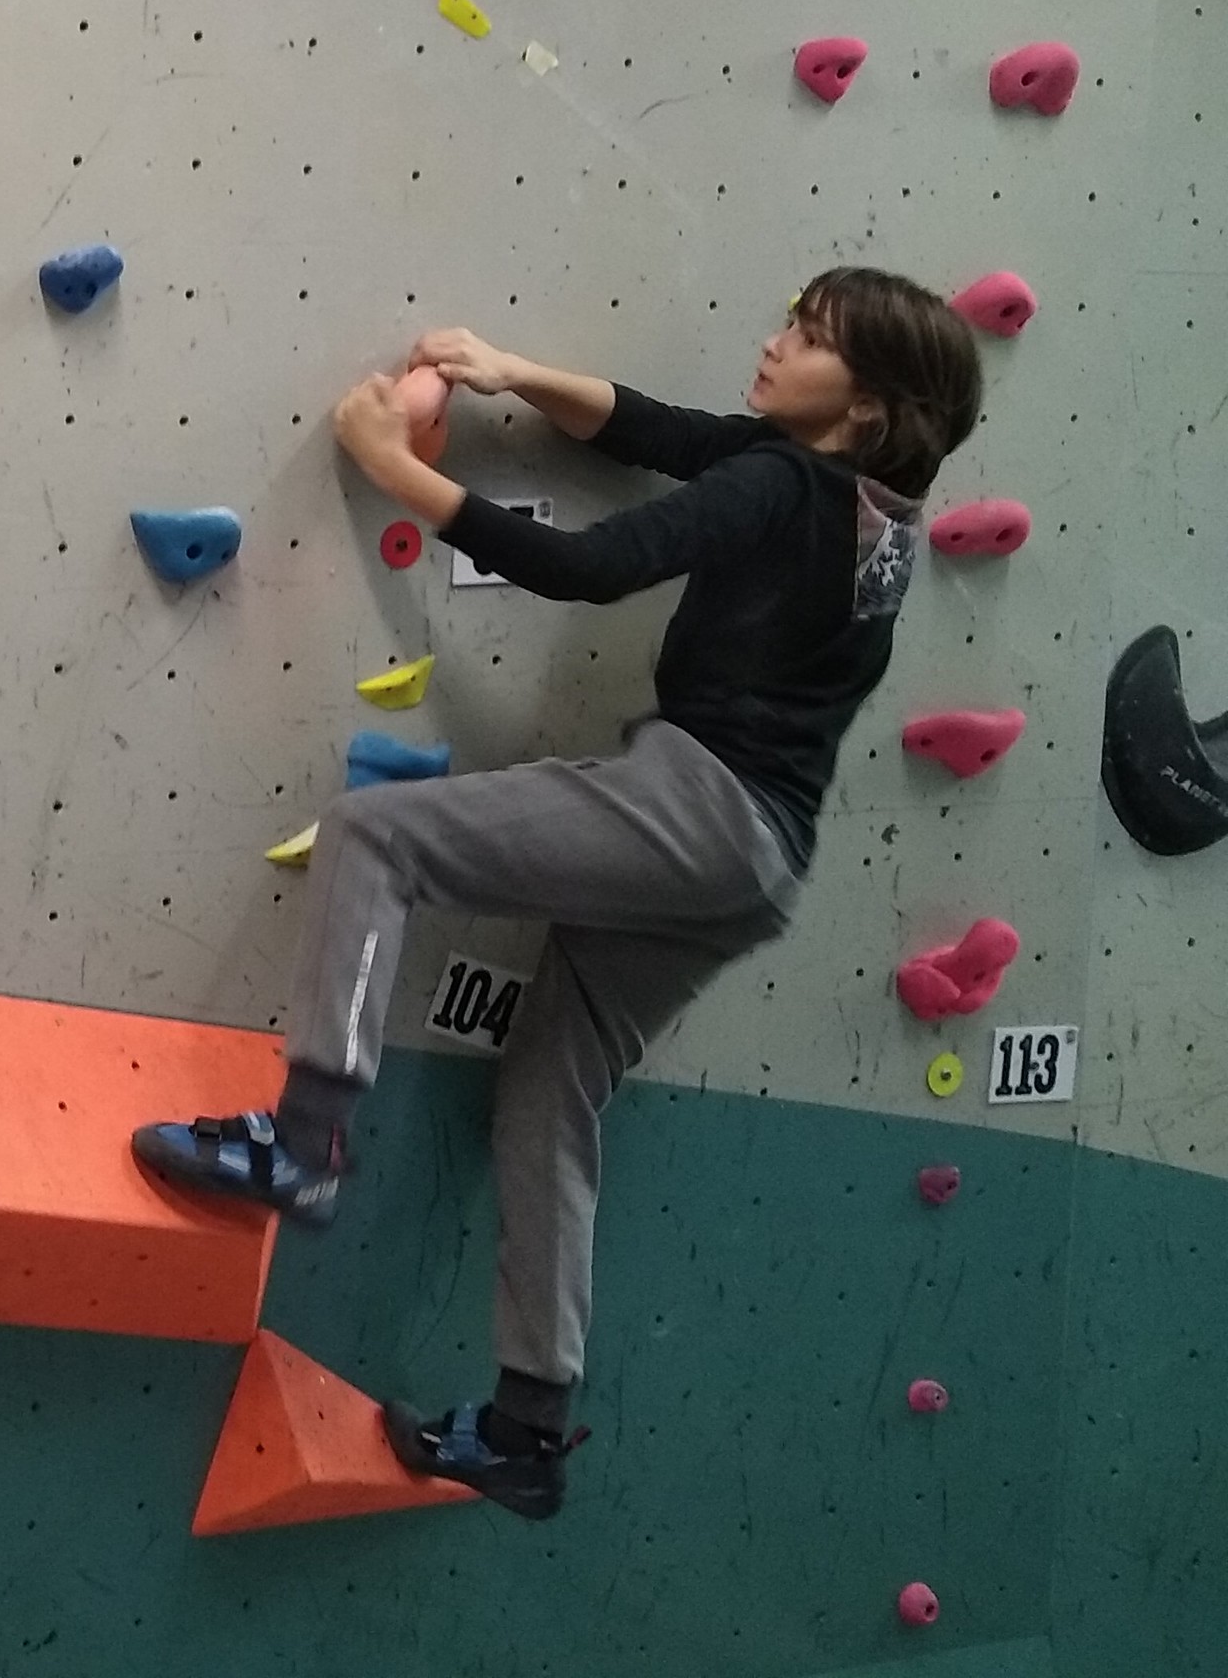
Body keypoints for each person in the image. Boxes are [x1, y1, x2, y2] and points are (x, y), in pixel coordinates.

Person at [132, 270, 985, 1519]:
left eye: (806, 338)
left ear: (861, 407)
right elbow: (655, 432)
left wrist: (391, 467)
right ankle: (526, 1429)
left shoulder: (774, 484)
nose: (771, 340)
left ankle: (304, 1142)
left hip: (698, 808)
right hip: (757, 865)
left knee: (374, 838)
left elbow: (583, 567)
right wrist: (512, 371)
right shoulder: (876, 514)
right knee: (548, 1093)